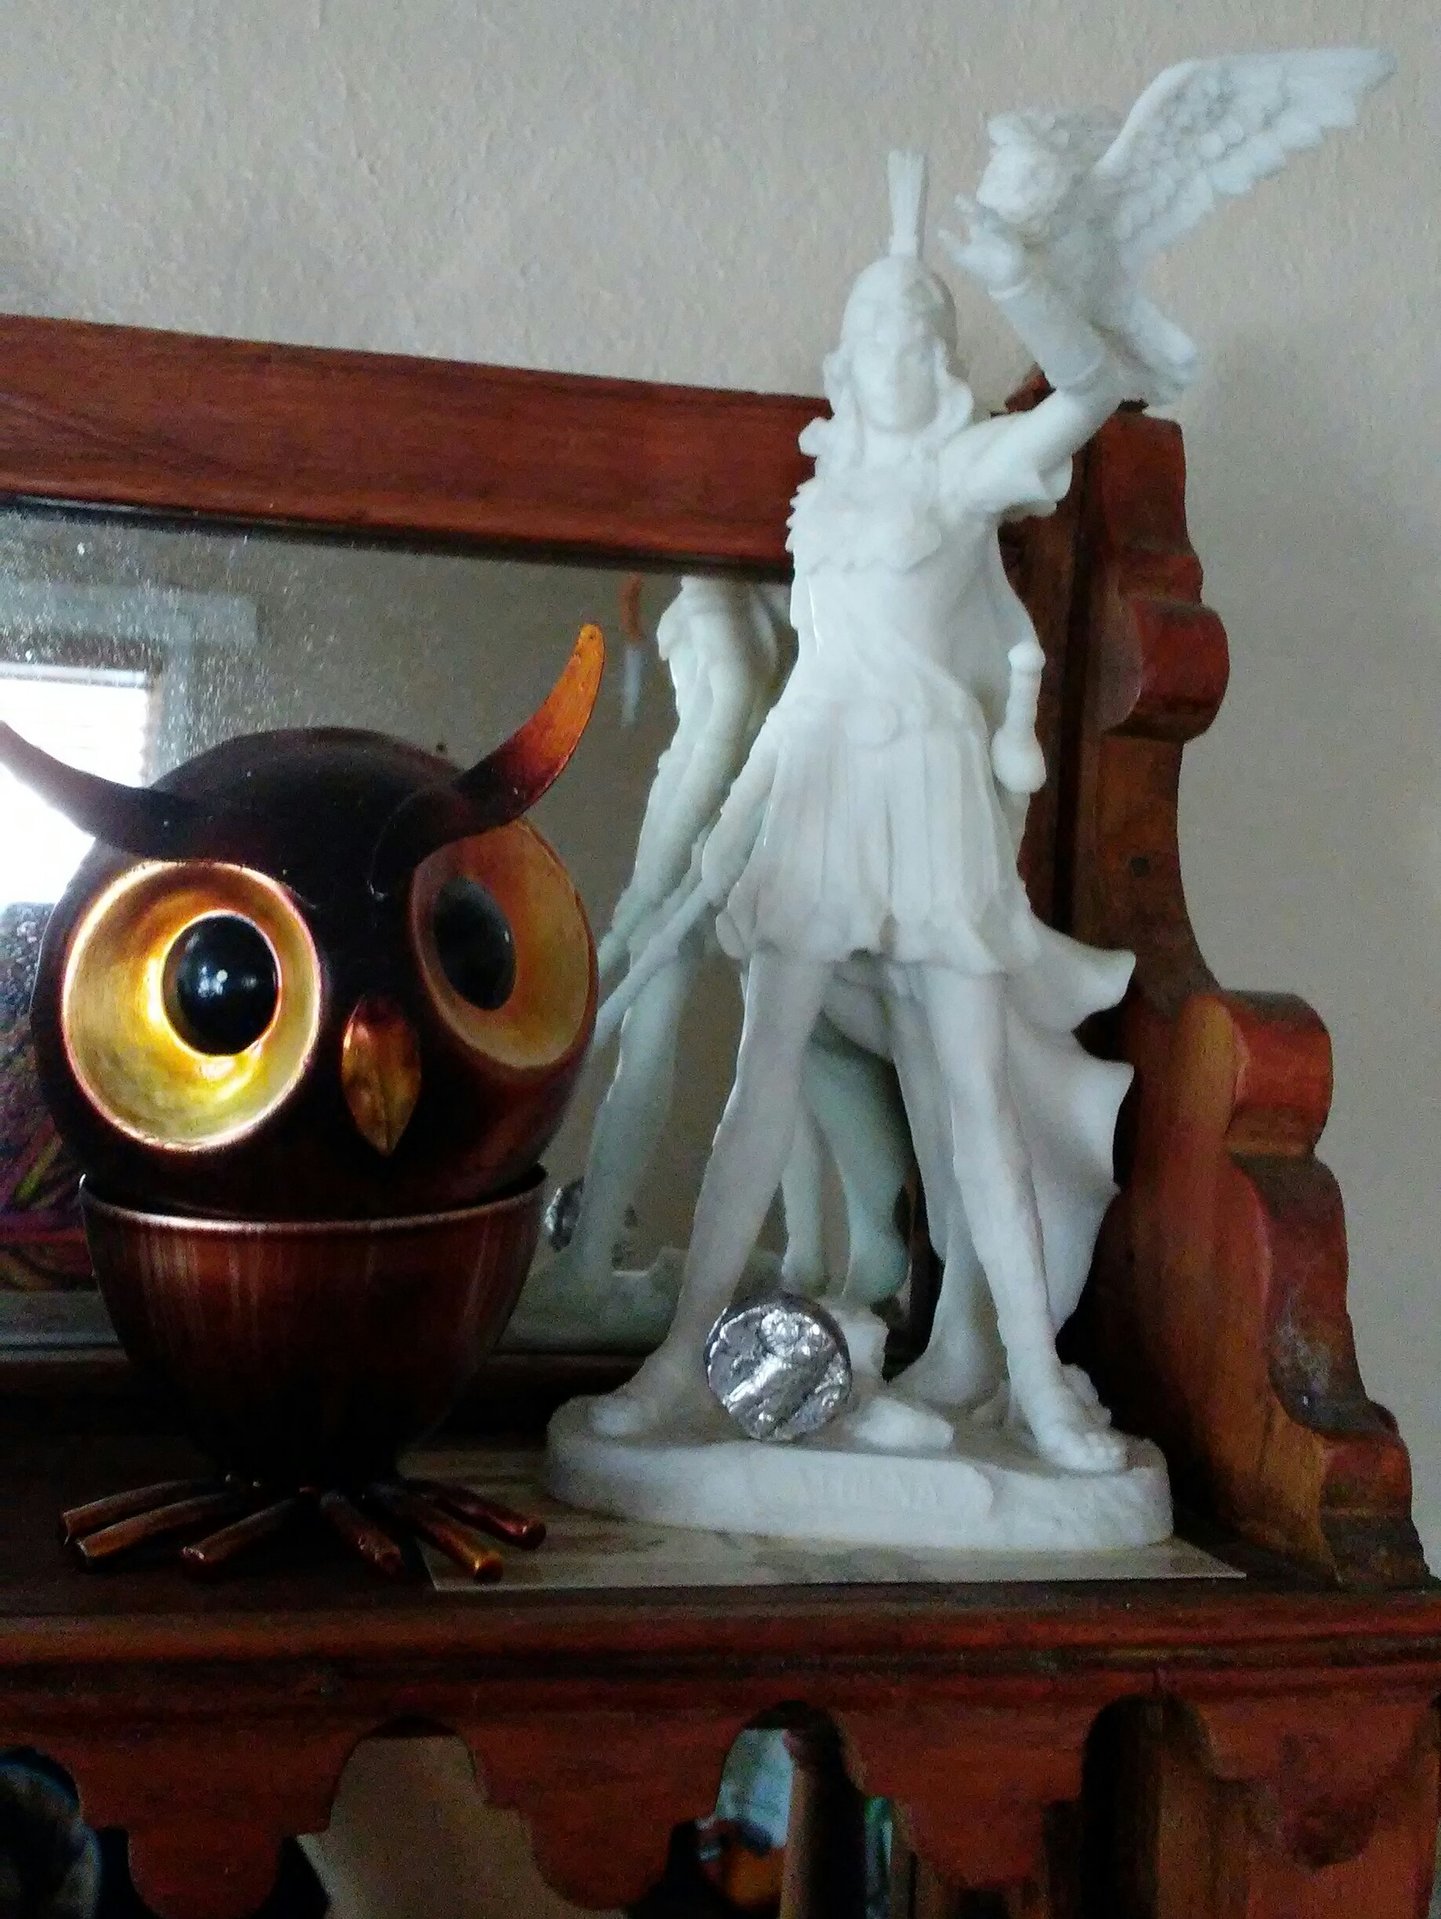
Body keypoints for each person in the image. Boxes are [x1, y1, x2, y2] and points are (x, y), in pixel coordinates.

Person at [587, 152, 1136, 1473]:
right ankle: (681, 1359)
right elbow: (805, 687)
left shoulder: (960, 477)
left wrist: (1014, 274)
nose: (897, 349)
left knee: (973, 1096)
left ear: (938, 360)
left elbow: (1091, 390)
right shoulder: (823, 501)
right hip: (825, 782)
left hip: (929, 792)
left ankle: (1038, 1384)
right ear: (850, 356)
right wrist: (729, 834)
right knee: (757, 1083)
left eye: (919, 330)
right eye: (877, 328)